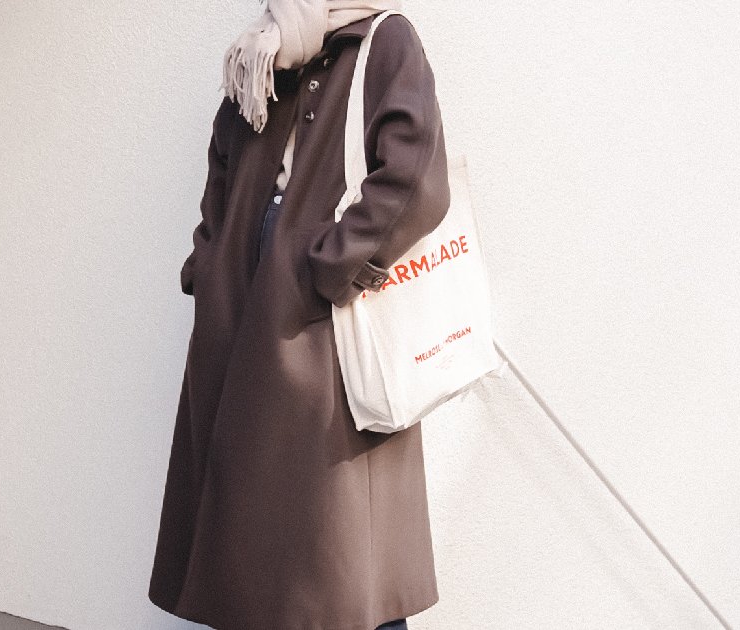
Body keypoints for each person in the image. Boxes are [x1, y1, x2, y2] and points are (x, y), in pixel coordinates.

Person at [148, 2, 451, 629]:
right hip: (239, 307)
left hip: (325, 322)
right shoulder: (257, 53)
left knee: (336, 554)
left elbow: (416, 177)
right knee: (246, 539)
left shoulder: (384, 39)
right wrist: (209, 265)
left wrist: (333, 267)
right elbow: (221, 171)